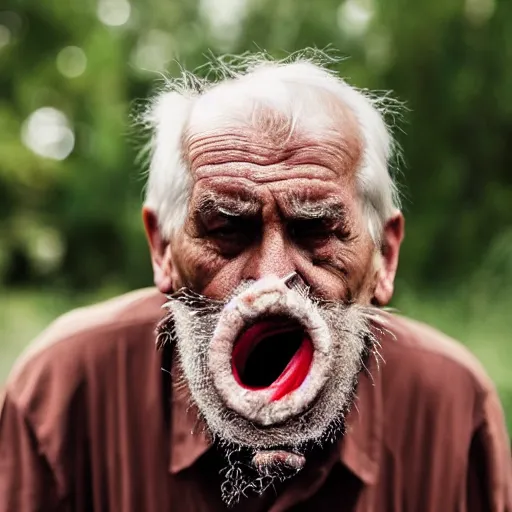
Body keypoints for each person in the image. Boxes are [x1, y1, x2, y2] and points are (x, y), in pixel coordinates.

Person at [1, 51, 511, 512]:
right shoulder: (60, 398)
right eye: (227, 230)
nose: (271, 282)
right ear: (162, 249)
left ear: (384, 256)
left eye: (315, 231)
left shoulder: (453, 411)